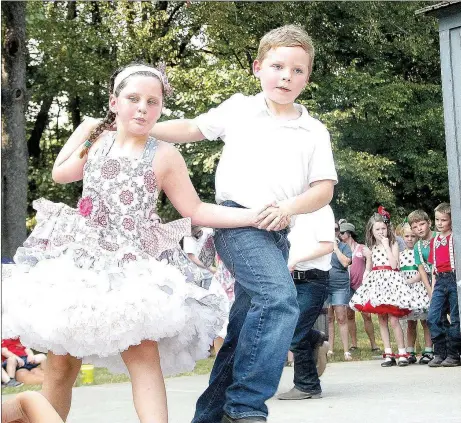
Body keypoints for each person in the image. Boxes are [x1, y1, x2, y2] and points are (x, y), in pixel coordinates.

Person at [1, 63, 276, 423]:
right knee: (61, 363)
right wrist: (87, 132)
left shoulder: (165, 155)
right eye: (133, 99)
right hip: (80, 263)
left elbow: (195, 209)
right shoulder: (96, 137)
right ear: (114, 102)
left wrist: (254, 215)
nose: (143, 108)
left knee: (142, 356)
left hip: (131, 263)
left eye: (153, 101)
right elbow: (62, 173)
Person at [150, 25, 337, 423]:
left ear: (307, 77)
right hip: (236, 223)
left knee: (244, 332)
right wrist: (138, 126)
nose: (286, 76)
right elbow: (190, 129)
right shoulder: (239, 108)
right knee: (279, 300)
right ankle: (246, 408)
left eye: (298, 70)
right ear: (257, 68)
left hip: (277, 232)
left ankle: (210, 416)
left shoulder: (314, 131)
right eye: (277, 66)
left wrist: (289, 207)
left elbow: (323, 190)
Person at [276, 206, 334, 401]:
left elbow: (328, 246)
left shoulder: (321, 209)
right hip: (293, 280)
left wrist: (296, 260)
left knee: (295, 333)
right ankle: (316, 338)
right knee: (290, 328)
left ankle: (307, 385)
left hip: (314, 280)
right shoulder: (293, 209)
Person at [350, 208, 416, 367]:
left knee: (394, 319)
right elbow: (369, 267)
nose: (381, 232)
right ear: (371, 231)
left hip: (391, 282)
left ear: (387, 229)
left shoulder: (393, 243)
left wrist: (386, 245)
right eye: (377, 229)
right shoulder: (371, 248)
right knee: (382, 319)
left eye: (383, 229)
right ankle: (388, 352)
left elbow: (394, 264)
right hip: (377, 283)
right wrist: (366, 274)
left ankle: (402, 352)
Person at [426, 203, 461, 367]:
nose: (439, 223)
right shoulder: (434, 241)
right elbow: (433, 267)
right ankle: (440, 352)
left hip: (454, 279)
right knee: (433, 317)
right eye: (437, 219)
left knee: (455, 318)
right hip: (440, 280)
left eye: (443, 220)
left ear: (451, 221)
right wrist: (433, 289)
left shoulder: (456, 238)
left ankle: (454, 354)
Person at [340, 222, 379, 353]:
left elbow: (370, 260)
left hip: (361, 285)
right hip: (347, 285)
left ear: (349, 233)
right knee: (349, 315)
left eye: (342, 232)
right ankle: (354, 344)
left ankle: (374, 344)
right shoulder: (341, 249)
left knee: (366, 315)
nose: (339, 235)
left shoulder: (361, 248)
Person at [398, 222, 431, 364]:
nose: (410, 239)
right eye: (407, 236)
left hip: (420, 288)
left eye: (412, 236)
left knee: (425, 321)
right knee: (410, 322)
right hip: (407, 292)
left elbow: (422, 271)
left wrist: (410, 281)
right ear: (402, 237)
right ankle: (410, 349)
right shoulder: (400, 255)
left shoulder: (419, 252)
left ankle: (429, 349)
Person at [408, 209, 437, 364]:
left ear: (429, 223)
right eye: (414, 226)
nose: (419, 228)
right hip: (431, 283)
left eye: (421, 224)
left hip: (443, 277)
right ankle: (437, 348)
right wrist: (429, 290)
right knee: (434, 317)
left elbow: (436, 264)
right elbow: (421, 269)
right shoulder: (418, 245)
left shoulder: (438, 238)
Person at [326, 222, 352, 360]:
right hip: (324, 286)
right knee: (328, 319)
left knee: (341, 317)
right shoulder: (322, 247)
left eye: (336, 229)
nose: (333, 232)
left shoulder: (344, 246)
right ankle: (329, 349)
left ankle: (346, 351)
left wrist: (335, 248)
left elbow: (345, 263)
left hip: (340, 286)